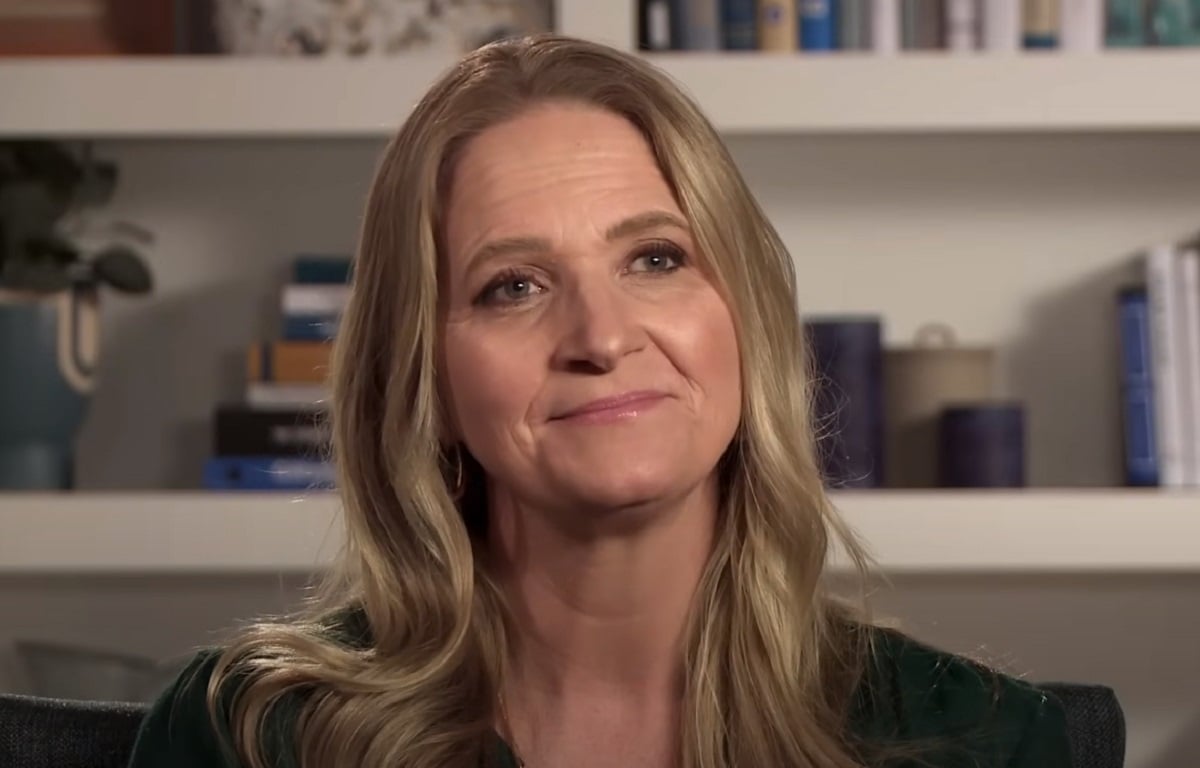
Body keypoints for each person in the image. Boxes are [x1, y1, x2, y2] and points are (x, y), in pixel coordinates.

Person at [126, 34, 1071, 768]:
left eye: (655, 259)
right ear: (423, 375)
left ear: (745, 316)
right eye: (513, 286)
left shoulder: (984, 742)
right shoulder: (251, 734)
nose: (602, 337)